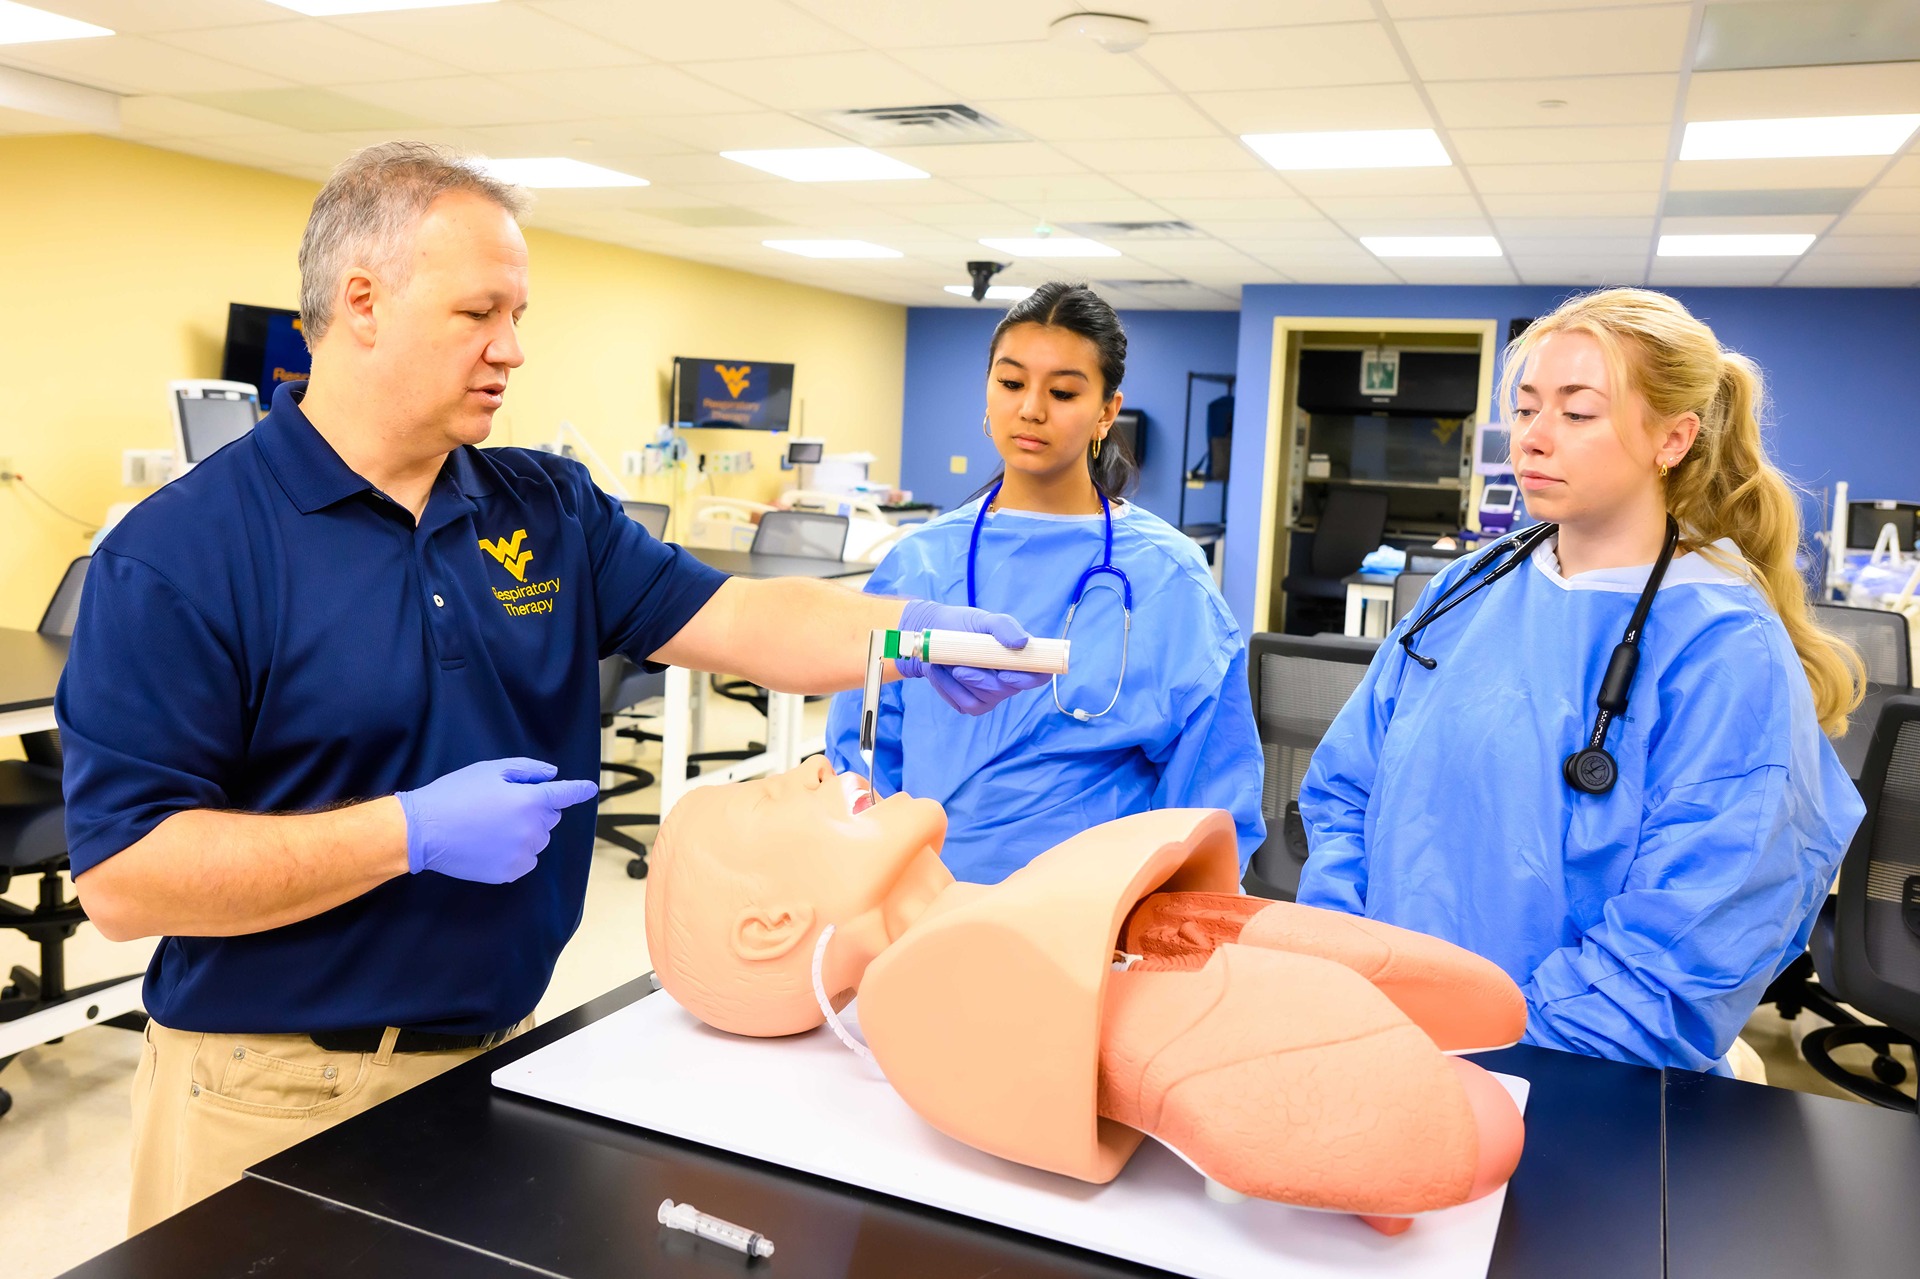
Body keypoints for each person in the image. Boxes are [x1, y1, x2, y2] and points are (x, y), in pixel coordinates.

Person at [57, 142, 1045, 1233]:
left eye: (518, 313)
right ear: (364, 302)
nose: (512, 349)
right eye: (480, 313)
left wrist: (907, 634)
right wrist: (409, 832)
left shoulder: (544, 506)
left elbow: (741, 618)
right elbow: (127, 879)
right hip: (268, 1090)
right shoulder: (183, 552)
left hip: (501, 1058)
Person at [1296, 287, 1867, 1076]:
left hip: (1570, 1071)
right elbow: (1345, 791)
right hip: (1382, 1032)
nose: (1532, 439)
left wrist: (1503, 1050)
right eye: (1527, 409)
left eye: (1577, 412)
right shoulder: (1466, 589)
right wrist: (1349, 973)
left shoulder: (1724, 644)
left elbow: (1692, 936)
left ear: (1673, 437)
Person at [824, 283, 1263, 883]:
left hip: (1095, 915)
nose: (1031, 408)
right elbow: (864, 753)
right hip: (923, 901)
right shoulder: (920, 562)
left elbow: (1211, 798)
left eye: (1062, 392)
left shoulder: (1170, 577)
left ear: (1108, 411)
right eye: (1010, 384)